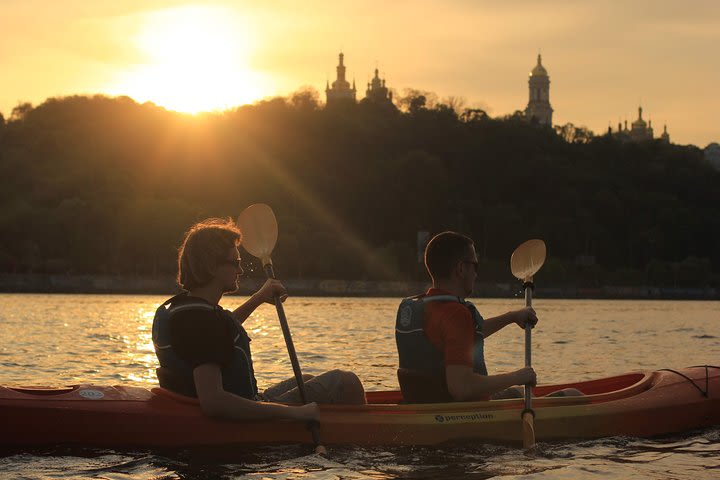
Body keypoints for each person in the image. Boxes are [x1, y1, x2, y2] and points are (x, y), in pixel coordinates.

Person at [152, 218, 366, 423]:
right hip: (238, 418)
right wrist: (295, 414)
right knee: (347, 382)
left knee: (306, 377)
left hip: (224, 403)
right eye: (235, 263)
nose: (241, 270)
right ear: (211, 267)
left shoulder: (182, 309)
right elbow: (213, 402)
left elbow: (216, 336)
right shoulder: (203, 322)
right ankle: (356, 436)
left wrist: (258, 298)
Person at [396, 231, 580, 403]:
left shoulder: (423, 306)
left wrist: (512, 317)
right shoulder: (456, 313)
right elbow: (461, 388)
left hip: (423, 403)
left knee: (523, 392)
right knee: (573, 395)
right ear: (461, 268)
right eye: (475, 265)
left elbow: (462, 337)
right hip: (461, 411)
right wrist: (518, 376)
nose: (476, 273)